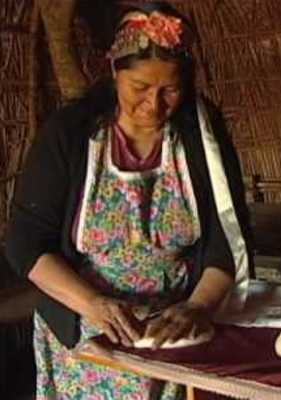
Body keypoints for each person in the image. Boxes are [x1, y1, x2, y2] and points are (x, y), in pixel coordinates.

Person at [6, 2, 253, 399]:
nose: (153, 105)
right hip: (86, 333)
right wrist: (94, 303)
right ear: (114, 71)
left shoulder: (199, 138)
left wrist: (197, 307)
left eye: (169, 90)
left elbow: (229, 239)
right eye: (140, 87)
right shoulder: (70, 136)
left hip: (171, 334)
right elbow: (25, 244)